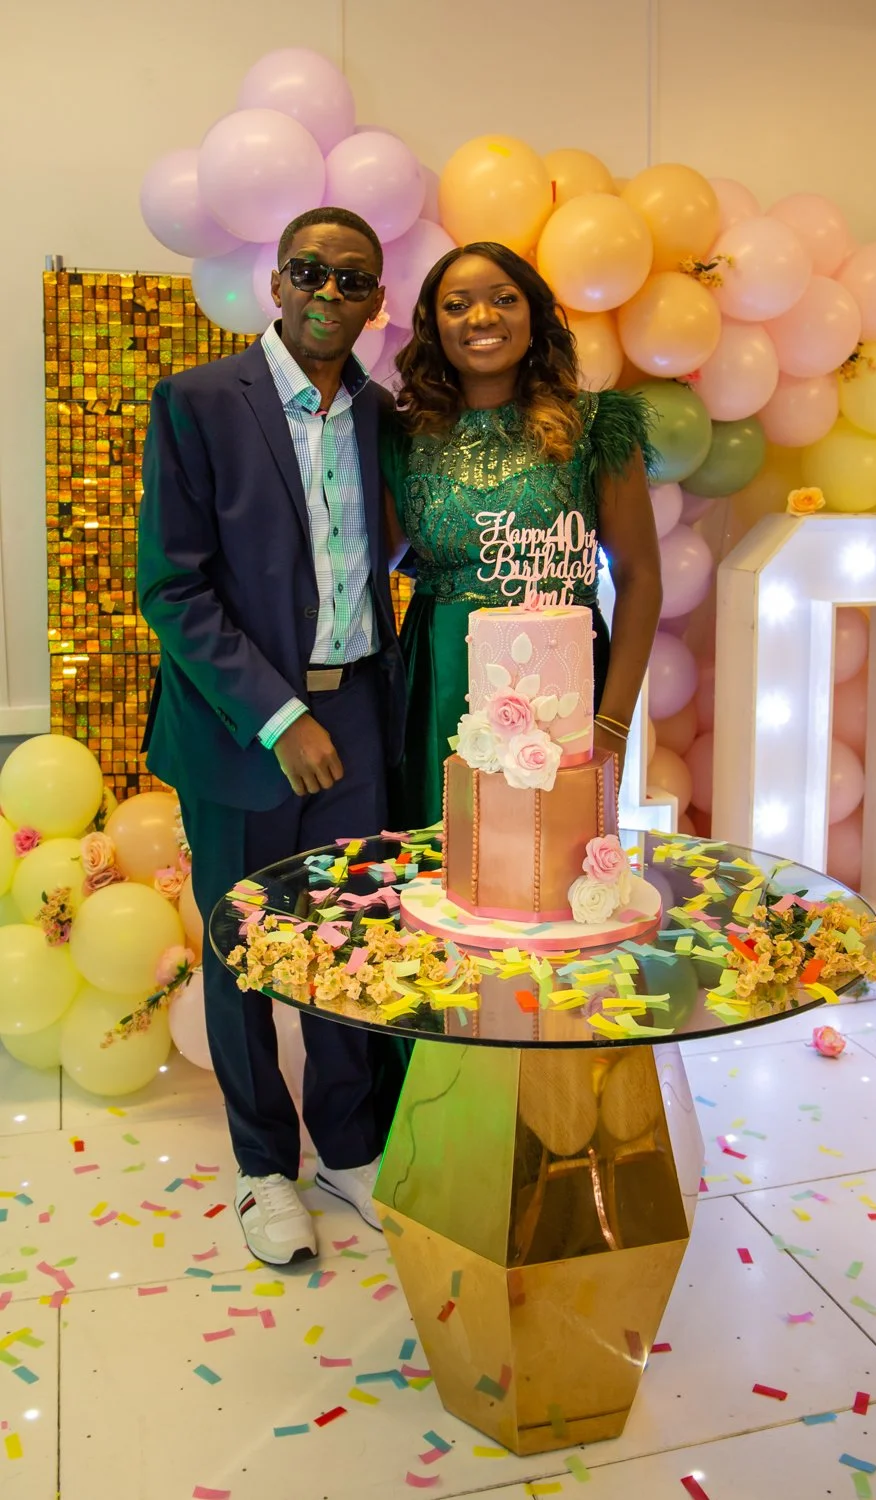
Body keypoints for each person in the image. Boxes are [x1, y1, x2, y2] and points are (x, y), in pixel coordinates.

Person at [138, 207, 409, 1267]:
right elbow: (173, 587)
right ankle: (263, 1168)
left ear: (376, 301)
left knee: (348, 936)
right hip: (241, 722)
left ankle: (347, 1145)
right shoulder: (201, 402)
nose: (330, 293)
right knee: (246, 944)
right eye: (310, 271)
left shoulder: (382, 415)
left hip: (359, 713)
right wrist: (278, 716)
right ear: (278, 284)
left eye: (354, 279)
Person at [381, 241, 663, 827]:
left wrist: (612, 722)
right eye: (457, 305)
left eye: (504, 299)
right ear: (434, 327)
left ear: (534, 315)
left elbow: (640, 578)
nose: (482, 317)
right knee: (446, 855)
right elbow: (377, 557)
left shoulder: (596, 425)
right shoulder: (404, 436)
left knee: (553, 858)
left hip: (567, 690)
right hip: (441, 682)